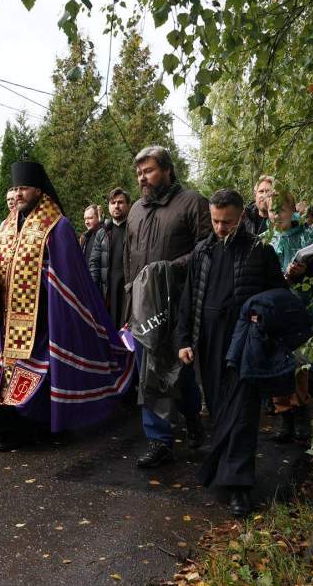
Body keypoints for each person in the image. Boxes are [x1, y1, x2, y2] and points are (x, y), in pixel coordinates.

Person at [0, 161, 134, 451]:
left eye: (23, 188)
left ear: (38, 189)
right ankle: (15, 426)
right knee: (12, 371)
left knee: (41, 372)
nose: (18, 193)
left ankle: (41, 425)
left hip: (44, 317)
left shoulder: (56, 225)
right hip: (9, 316)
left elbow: (69, 274)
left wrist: (48, 283)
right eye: (14, 188)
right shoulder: (7, 224)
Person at [175, 189, 287, 516]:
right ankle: (225, 472)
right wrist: (184, 339)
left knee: (242, 411)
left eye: (227, 221)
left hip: (244, 342)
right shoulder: (203, 251)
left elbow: (279, 295)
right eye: (215, 221)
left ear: (241, 217)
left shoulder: (260, 251)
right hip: (209, 340)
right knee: (220, 407)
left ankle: (240, 486)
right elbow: (188, 299)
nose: (221, 228)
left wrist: (261, 317)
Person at [125, 145, 211, 468]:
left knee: (180, 373)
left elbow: (207, 250)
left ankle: (192, 418)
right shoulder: (134, 210)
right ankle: (159, 441)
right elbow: (128, 262)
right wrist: (126, 313)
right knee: (148, 376)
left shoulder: (192, 203)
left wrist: (171, 269)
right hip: (141, 311)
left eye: (148, 171)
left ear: (167, 170)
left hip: (179, 307)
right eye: (139, 173)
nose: (142, 178)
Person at [265, 190, 313, 442]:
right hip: (274, 311)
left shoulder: (308, 236)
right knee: (278, 364)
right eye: (272, 210)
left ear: (292, 209)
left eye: (281, 209)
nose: (276, 215)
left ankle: (302, 414)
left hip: (302, 310)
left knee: (300, 364)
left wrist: (305, 272)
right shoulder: (265, 240)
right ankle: (284, 418)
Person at [89, 187, 132, 325]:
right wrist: (94, 292)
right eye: (113, 203)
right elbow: (94, 264)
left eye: (120, 202)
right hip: (107, 291)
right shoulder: (102, 233)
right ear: (109, 206)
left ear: (128, 205)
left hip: (128, 291)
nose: (116, 206)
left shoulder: (135, 230)